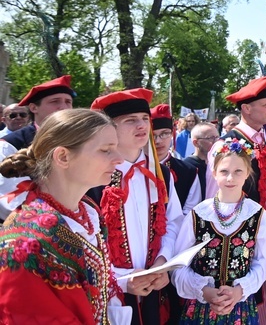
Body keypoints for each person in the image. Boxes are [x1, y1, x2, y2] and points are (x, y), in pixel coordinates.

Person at [0, 108, 132, 324]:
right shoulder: (26, 242)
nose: (119, 158)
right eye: (106, 150)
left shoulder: (87, 213)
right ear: (63, 156)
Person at [88, 89, 184, 325]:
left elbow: (174, 222)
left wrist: (163, 263)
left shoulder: (160, 174)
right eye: (130, 120)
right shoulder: (93, 179)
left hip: (155, 290)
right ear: (109, 129)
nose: (141, 126)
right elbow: (85, 241)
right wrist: (122, 280)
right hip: (111, 295)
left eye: (144, 119)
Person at [207, 76, 266, 325]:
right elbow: (213, 196)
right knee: (239, 305)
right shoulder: (226, 144)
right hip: (237, 236)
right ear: (246, 108)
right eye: (265, 104)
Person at [172, 137, 266, 324]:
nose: (230, 178)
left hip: (240, 308)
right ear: (214, 173)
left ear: (247, 173)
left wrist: (239, 291)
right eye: (224, 171)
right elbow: (179, 265)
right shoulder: (199, 214)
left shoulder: (258, 215)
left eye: (237, 171)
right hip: (200, 308)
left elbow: (262, 264)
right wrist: (204, 291)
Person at [0, 75, 76, 220]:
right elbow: (9, 199)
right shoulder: (9, 145)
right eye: (55, 101)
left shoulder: (80, 141)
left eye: (68, 102)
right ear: (34, 107)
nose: (64, 107)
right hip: (31, 228)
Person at [151, 104, 202, 214]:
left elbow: (190, 211)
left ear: (172, 135)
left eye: (164, 134)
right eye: (153, 136)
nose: (158, 141)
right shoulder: (137, 170)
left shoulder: (188, 171)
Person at [184, 122, 220, 203]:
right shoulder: (186, 167)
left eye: (217, 137)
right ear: (196, 142)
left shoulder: (219, 164)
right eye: (210, 138)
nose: (216, 142)